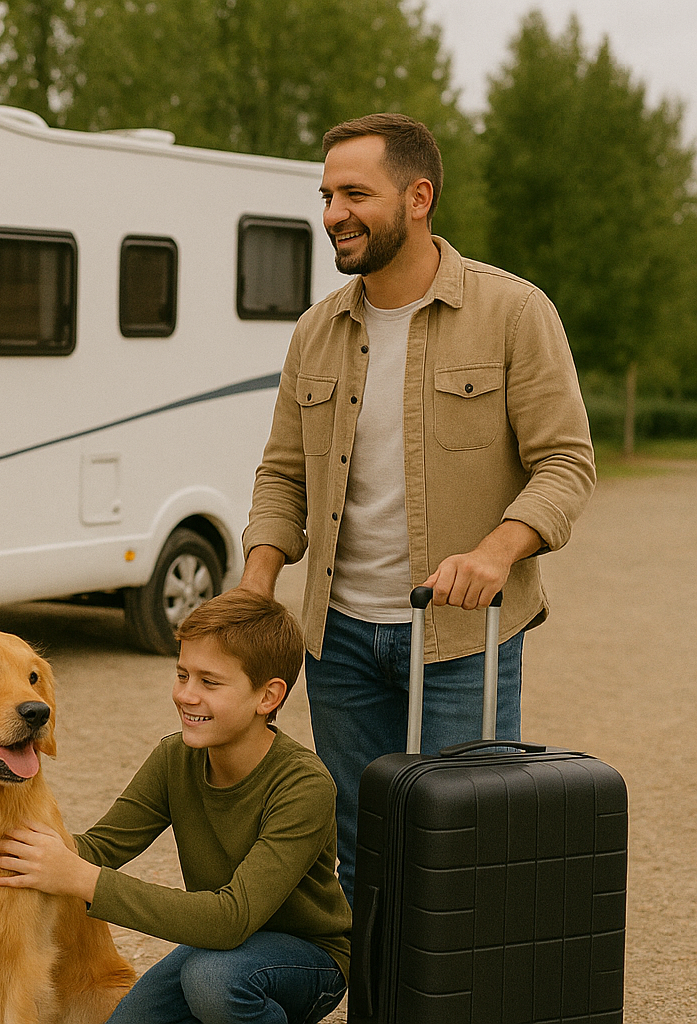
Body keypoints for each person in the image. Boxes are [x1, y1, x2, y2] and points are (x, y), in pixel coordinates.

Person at [238, 112, 596, 902]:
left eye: (355, 194)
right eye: (327, 195)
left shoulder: (514, 312)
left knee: (461, 848)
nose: (334, 213)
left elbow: (567, 463)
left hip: (464, 638)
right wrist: (255, 586)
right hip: (338, 644)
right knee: (359, 845)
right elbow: (283, 475)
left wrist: (495, 553)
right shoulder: (315, 330)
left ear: (419, 197)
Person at [0, 589, 350, 1024]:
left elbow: (230, 918)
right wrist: (26, 851)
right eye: (182, 675)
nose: (186, 695)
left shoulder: (304, 785)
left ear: (268, 697)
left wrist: (81, 878)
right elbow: (102, 847)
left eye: (209, 682)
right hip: (217, 947)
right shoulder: (174, 757)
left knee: (212, 981)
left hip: (306, 958)